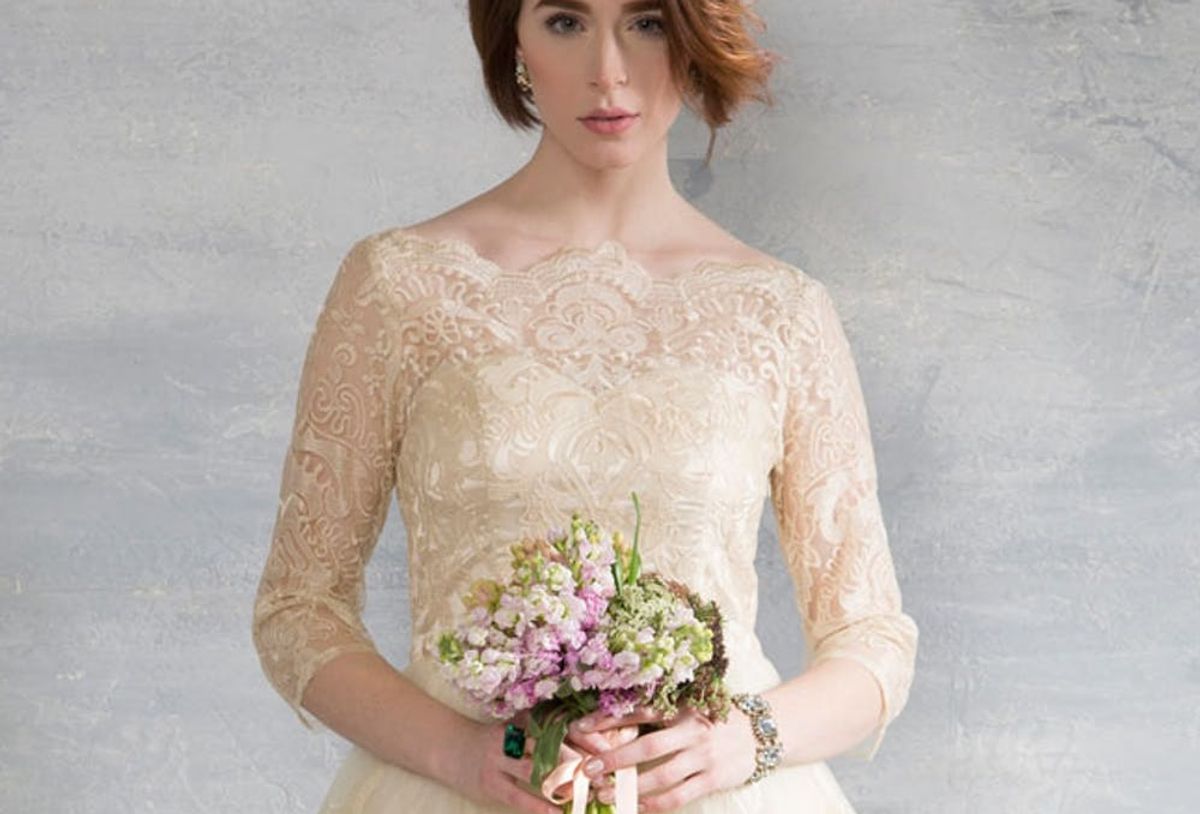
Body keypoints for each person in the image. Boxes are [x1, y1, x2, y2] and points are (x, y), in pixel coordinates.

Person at [250, 1, 920, 812]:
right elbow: (298, 608)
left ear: (693, 40)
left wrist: (744, 740)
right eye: (566, 21)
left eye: (648, 22)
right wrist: (461, 754)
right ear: (514, 39)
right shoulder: (400, 285)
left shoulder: (779, 311)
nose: (609, 72)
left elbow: (872, 637)